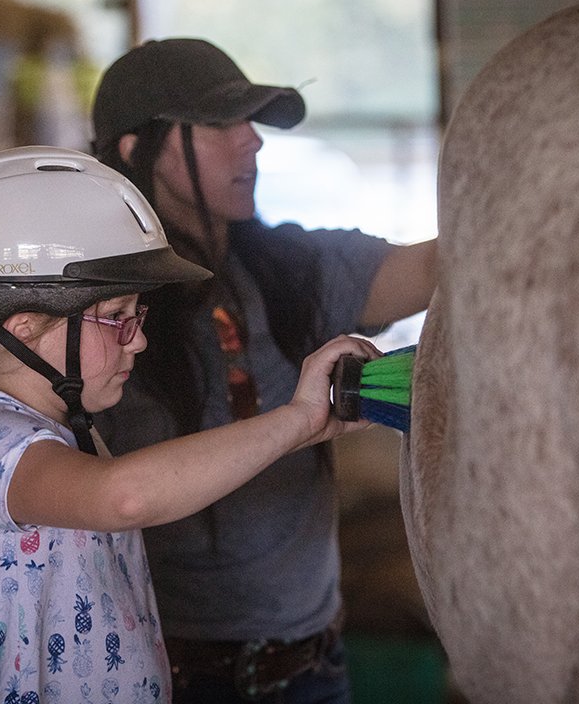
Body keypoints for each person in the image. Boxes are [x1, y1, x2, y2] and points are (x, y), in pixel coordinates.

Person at [0, 145, 378, 704]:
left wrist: (305, 429)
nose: (141, 340)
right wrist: (295, 421)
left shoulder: (73, 436)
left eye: (138, 316)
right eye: (118, 319)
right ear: (25, 326)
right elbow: (124, 496)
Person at [89, 38, 438, 703]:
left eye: (249, 123)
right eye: (221, 125)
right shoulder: (101, 316)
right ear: (136, 150)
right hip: (171, 679)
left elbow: (426, 271)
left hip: (314, 669)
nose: (251, 142)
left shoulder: (288, 270)